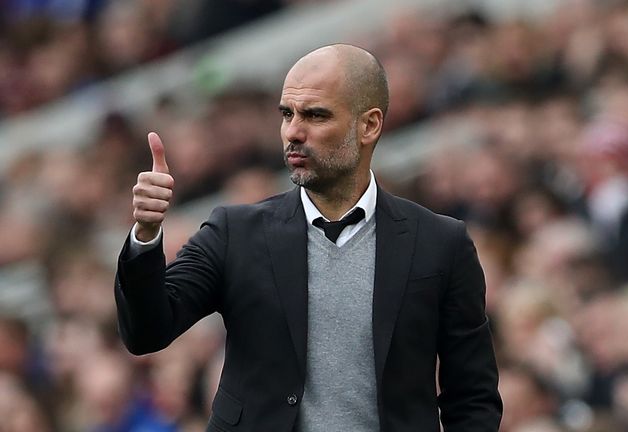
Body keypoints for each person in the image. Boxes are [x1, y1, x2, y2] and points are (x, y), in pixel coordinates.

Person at [115, 44, 502, 432]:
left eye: (315, 115)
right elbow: (147, 331)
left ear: (369, 125)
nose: (294, 132)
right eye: (287, 114)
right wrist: (146, 237)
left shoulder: (440, 243)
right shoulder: (236, 233)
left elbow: (472, 396)